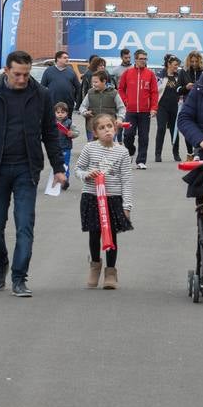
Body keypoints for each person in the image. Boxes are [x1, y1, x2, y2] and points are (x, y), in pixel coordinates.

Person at [0, 49, 67, 298]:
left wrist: (59, 168)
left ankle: (20, 277)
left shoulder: (40, 95)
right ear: (7, 70)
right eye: (18, 74)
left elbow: (51, 135)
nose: (22, 79)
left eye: (26, 74)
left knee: (24, 225)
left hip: (26, 169)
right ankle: (0, 264)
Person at [74, 113, 134, 290]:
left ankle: (110, 272)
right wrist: (86, 175)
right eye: (102, 128)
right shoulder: (89, 148)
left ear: (115, 129)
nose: (107, 130)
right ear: (95, 132)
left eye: (109, 126)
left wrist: (127, 205)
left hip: (113, 198)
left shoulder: (122, 151)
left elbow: (126, 179)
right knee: (94, 233)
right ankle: (95, 266)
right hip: (92, 196)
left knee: (111, 234)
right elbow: (79, 169)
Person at [117, 48, 159, 169]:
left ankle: (141, 161)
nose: (143, 61)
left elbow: (154, 92)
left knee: (144, 136)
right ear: (135, 59)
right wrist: (126, 101)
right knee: (128, 135)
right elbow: (120, 89)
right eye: (141, 59)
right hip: (130, 111)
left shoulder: (150, 74)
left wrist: (154, 108)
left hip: (145, 111)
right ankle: (131, 151)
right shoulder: (127, 73)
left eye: (145, 59)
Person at [78, 69, 126, 135]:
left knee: (108, 145)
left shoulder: (114, 93)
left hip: (109, 128)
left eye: (96, 82)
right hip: (92, 128)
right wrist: (85, 112)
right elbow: (82, 107)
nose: (93, 84)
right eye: (92, 82)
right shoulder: (90, 92)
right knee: (92, 145)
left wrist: (120, 118)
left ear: (104, 81)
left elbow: (121, 108)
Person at [155, 55, 184, 163]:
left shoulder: (179, 76)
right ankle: (158, 154)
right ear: (169, 64)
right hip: (162, 106)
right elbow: (155, 91)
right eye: (175, 65)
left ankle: (176, 154)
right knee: (161, 128)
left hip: (175, 106)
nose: (177, 67)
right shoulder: (160, 76)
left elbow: (182, 89)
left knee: (174, 130)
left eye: (178, 65)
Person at [179, 51, 203, 154]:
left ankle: (198, 152)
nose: (194, 63)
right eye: (192, 61)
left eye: (196, 61)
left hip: (202, 104)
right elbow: (178, 90)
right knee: (189, 128)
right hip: (188, 104)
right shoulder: (183, 71)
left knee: (201, 129)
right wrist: (186, 87)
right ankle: (189, 152)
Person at [52, 101, 78, 190]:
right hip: (55, 147)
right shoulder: (52, 122)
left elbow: (77, 132)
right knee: (56, 164)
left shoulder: (69, 122)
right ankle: (56, 179)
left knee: (65, 164)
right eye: (58, 112)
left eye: (62, 112)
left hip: (66, 147)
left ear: (67, 113)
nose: (60, 114)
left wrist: (72, 133)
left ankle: (65, 181)